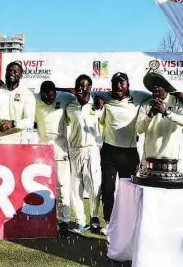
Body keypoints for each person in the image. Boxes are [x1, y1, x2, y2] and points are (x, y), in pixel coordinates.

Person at [93, 72, 151, 235]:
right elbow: (88, 95)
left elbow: (156, 95)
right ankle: (110, 223)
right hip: (109, 151)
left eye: (122, 84)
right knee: (108, 189)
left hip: (130, 153)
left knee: (130, 191)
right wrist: (97, 100)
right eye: (115, 84)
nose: (118, 87)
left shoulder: (139, 96)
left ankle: (129, 223)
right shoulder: (104, 96)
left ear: (128, 86)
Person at [34, 80, 76, 237]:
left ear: (55, 93)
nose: (48, 100)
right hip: (42, 148)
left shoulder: (64, 97)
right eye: (45, 97)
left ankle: (64, 221)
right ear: (41, 93)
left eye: (51, 96)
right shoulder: (34, 98)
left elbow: (75, 94)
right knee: (42, 185)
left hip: (60, 148)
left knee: (62, 186)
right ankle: (42, 218)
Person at [65, 75, 102, 234]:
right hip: (74, 150)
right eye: (78, 85)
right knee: (76, 188)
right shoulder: (70, 106)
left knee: (94, 185)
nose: (80, 89)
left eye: (83, 86)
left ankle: (94, 217)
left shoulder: (98, 104)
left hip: (91, 149)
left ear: (90, 87)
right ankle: (81, 221)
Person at [0, 61, 36, 144]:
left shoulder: (27, 94)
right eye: (9, 71)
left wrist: (13, 123)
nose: (11, 73)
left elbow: (30, 121)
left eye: (15, 71)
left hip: (18, 142)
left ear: (21, 75)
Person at [136, 71, 183, 163]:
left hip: (174, 158)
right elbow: (139, 129)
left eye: (158, 85)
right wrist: (150, 115)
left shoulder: (177, 102)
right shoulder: (146, 104)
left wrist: (166, 112)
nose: (155, 88)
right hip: (150, 157)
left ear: (166, 86)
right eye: (153, 86)